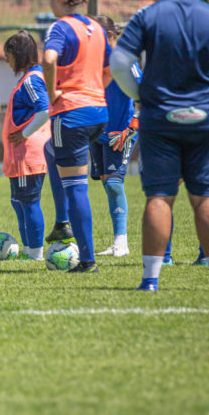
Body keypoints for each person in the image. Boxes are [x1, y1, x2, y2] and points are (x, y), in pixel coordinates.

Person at [110, 0, 209, 292]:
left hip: (160, 119)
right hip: (205, 120)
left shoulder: (146, 17)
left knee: (160, 197)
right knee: (206, 198)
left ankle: (151, 280)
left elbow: (118, 65)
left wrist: (140, 94)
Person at [41, 0, 110, 274]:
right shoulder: (96, 26)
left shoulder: (61, 26)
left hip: (71, 114)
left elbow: (48, 58)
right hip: (99, 112)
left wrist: (53, 90)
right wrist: (96, 90)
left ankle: (88, 260)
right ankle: (82, 248)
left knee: (76, 189)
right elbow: (111, 66)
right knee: (61, 164)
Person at [89, 15, 141, 258]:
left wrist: (132, 128)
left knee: (113, 182)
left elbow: (144, 96)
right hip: (97, 132)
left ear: (110, 35)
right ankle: (116, 241)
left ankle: (122, 242)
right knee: (106, 183)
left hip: (120, 132)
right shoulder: (92, 59)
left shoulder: (124, 60)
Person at [1, 30, 50, 261]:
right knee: (18, 201)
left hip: (27, 154)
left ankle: (35, 253)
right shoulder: (28, 78)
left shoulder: (31, 80)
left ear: (18, 54)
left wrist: (24, 133)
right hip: (18, 155)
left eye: (8, 54)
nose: (6, 59)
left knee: (29, 201)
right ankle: (30, 249)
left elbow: (44, 110)